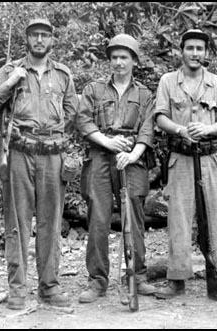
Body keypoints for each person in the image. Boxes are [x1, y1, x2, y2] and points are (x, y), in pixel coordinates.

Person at [0, 18, 78, 310]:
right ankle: (18, 289)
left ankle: (49, 287)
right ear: (27, 39)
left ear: (52, 40)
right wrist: (11, 83)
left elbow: (73, 111)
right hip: (19, 154)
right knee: (17, 223)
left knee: (50, 224)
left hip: (52, 154)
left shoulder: (63, 74)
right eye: (34, 35)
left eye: (44, 35)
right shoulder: (11, 70)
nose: (39, 40)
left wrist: (57, 138)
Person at [153, 29, 217, 300]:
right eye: (190, 48)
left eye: (200, 49)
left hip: (210, 159)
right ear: (181, 51)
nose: (195, 53)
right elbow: (160, 118)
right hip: (180, 158)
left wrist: (206, 130)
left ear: (206, 53)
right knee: (179, 219)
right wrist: (181, 130)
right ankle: (176, 280)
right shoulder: (168, 81)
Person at [75, 33, 157, 303]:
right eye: (114, 57)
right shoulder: (93, 89)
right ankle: (97, 280)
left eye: (124, 57)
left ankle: (138, 276)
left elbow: (148, 128)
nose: (119, 62)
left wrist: (133, 154)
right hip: (100, 156)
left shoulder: (144, 93)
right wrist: (109, 143)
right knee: (98, 218)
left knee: (133, 216)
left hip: (132, 160)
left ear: (134, 60)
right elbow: (84, 122)